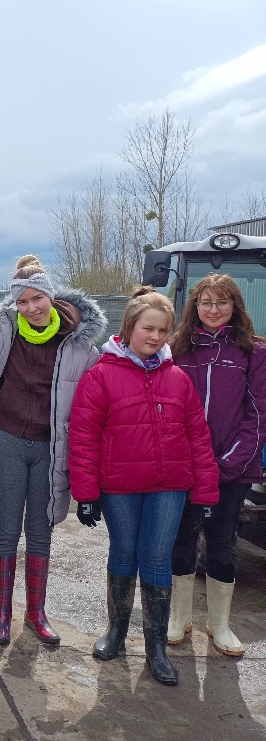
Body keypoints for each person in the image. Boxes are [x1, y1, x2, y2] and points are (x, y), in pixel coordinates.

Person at [70, 287, 219, 686]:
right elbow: (83, 437)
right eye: (147, 328)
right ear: (129, 327)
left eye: (162, 330)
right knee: (123, 552)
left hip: (168, 488)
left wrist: (205, 492)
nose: (155, 336)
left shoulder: (178, 380)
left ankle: (156, 647)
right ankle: (116, 631)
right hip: (119, 487)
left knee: (155, 558)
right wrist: (86, 493)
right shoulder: (100, 375)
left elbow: (198, 438)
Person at [0, 255, 105, 646]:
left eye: (37, 298)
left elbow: (99, 395)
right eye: (22, 301)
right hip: (8, 440)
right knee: (5, 529)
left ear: (51, 296)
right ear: (13, 303)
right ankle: (2, 611)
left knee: (40, 529)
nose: (31, 308)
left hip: (51, 447)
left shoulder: (80, 345)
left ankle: (36, 612)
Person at [168, 274, 266, 658]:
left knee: (222, 542)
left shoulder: (254, 352)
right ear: (195, 307)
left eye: (222, 302)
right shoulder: (178, 349)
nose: (213, 310)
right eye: (206, 302)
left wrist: (227, 464)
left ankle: (219, 624)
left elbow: (257, 416)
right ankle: (179, 618)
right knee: (182, 537)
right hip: (185, 467)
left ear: (234, 307)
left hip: (232, 469)